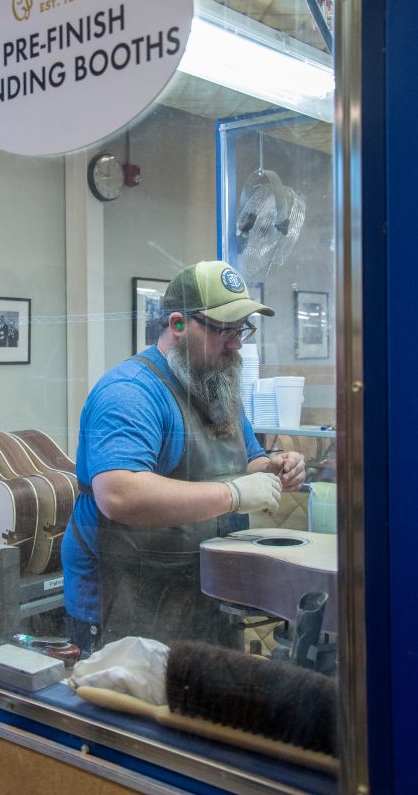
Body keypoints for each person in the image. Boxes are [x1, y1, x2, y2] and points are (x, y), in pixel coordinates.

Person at [61, 260, 306, 654]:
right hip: (128, 596)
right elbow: (119, 495)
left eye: (241, 328)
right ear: (177, 324)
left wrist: (274, 467)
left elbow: (246, 463)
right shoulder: (130, 393)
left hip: (204, 590)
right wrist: (235, 494)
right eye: (224, 329)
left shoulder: (215, 382)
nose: (236, 342)